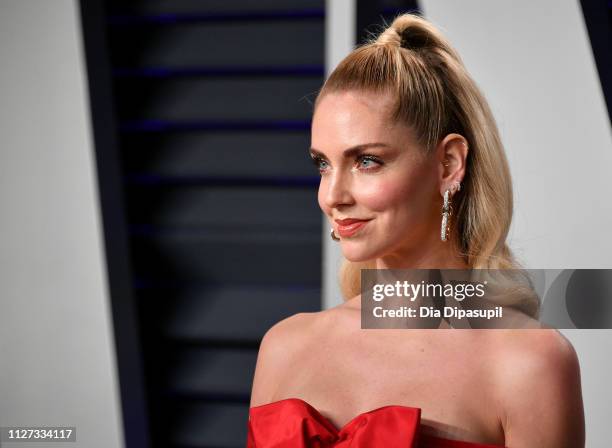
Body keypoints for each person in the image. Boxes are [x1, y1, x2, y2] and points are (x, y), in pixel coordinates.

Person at [247, 13, 584, 448]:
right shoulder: (283, 346)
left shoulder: (528, 363)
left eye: (367, 160)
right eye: (323, 164)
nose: (333, 195)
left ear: (448, 165)